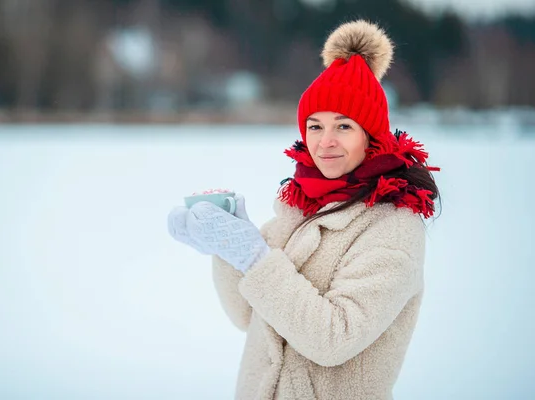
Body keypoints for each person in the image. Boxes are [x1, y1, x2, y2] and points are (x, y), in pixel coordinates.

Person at [167, 19, 440, 400]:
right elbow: (248, 317)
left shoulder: (393, 226)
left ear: (371, 135)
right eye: (315, 126)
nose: (325, 142)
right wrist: (227, 247)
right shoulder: (303, 206)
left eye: (343, 127)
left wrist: (254, 256)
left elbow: (334, 338)